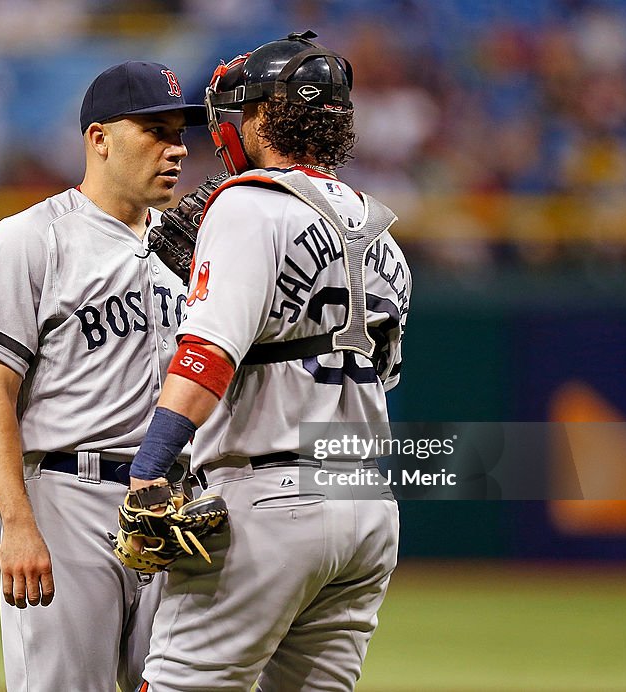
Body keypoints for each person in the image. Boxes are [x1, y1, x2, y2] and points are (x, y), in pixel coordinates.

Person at [127, 32, 409, 691]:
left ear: (260, 117)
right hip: (366, 505)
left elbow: (207, 353)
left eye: (237, 111)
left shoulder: (248, 205)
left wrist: (151, 467)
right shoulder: (383, 233)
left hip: (272, 498)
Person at [0, 61, 206, 691]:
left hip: (174, 504)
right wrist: (17, 523)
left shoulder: (193, 249)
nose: (175, 148)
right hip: (71, 498)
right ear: (99, 138)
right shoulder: (30, 240)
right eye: (154, 130)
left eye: (179, 132)